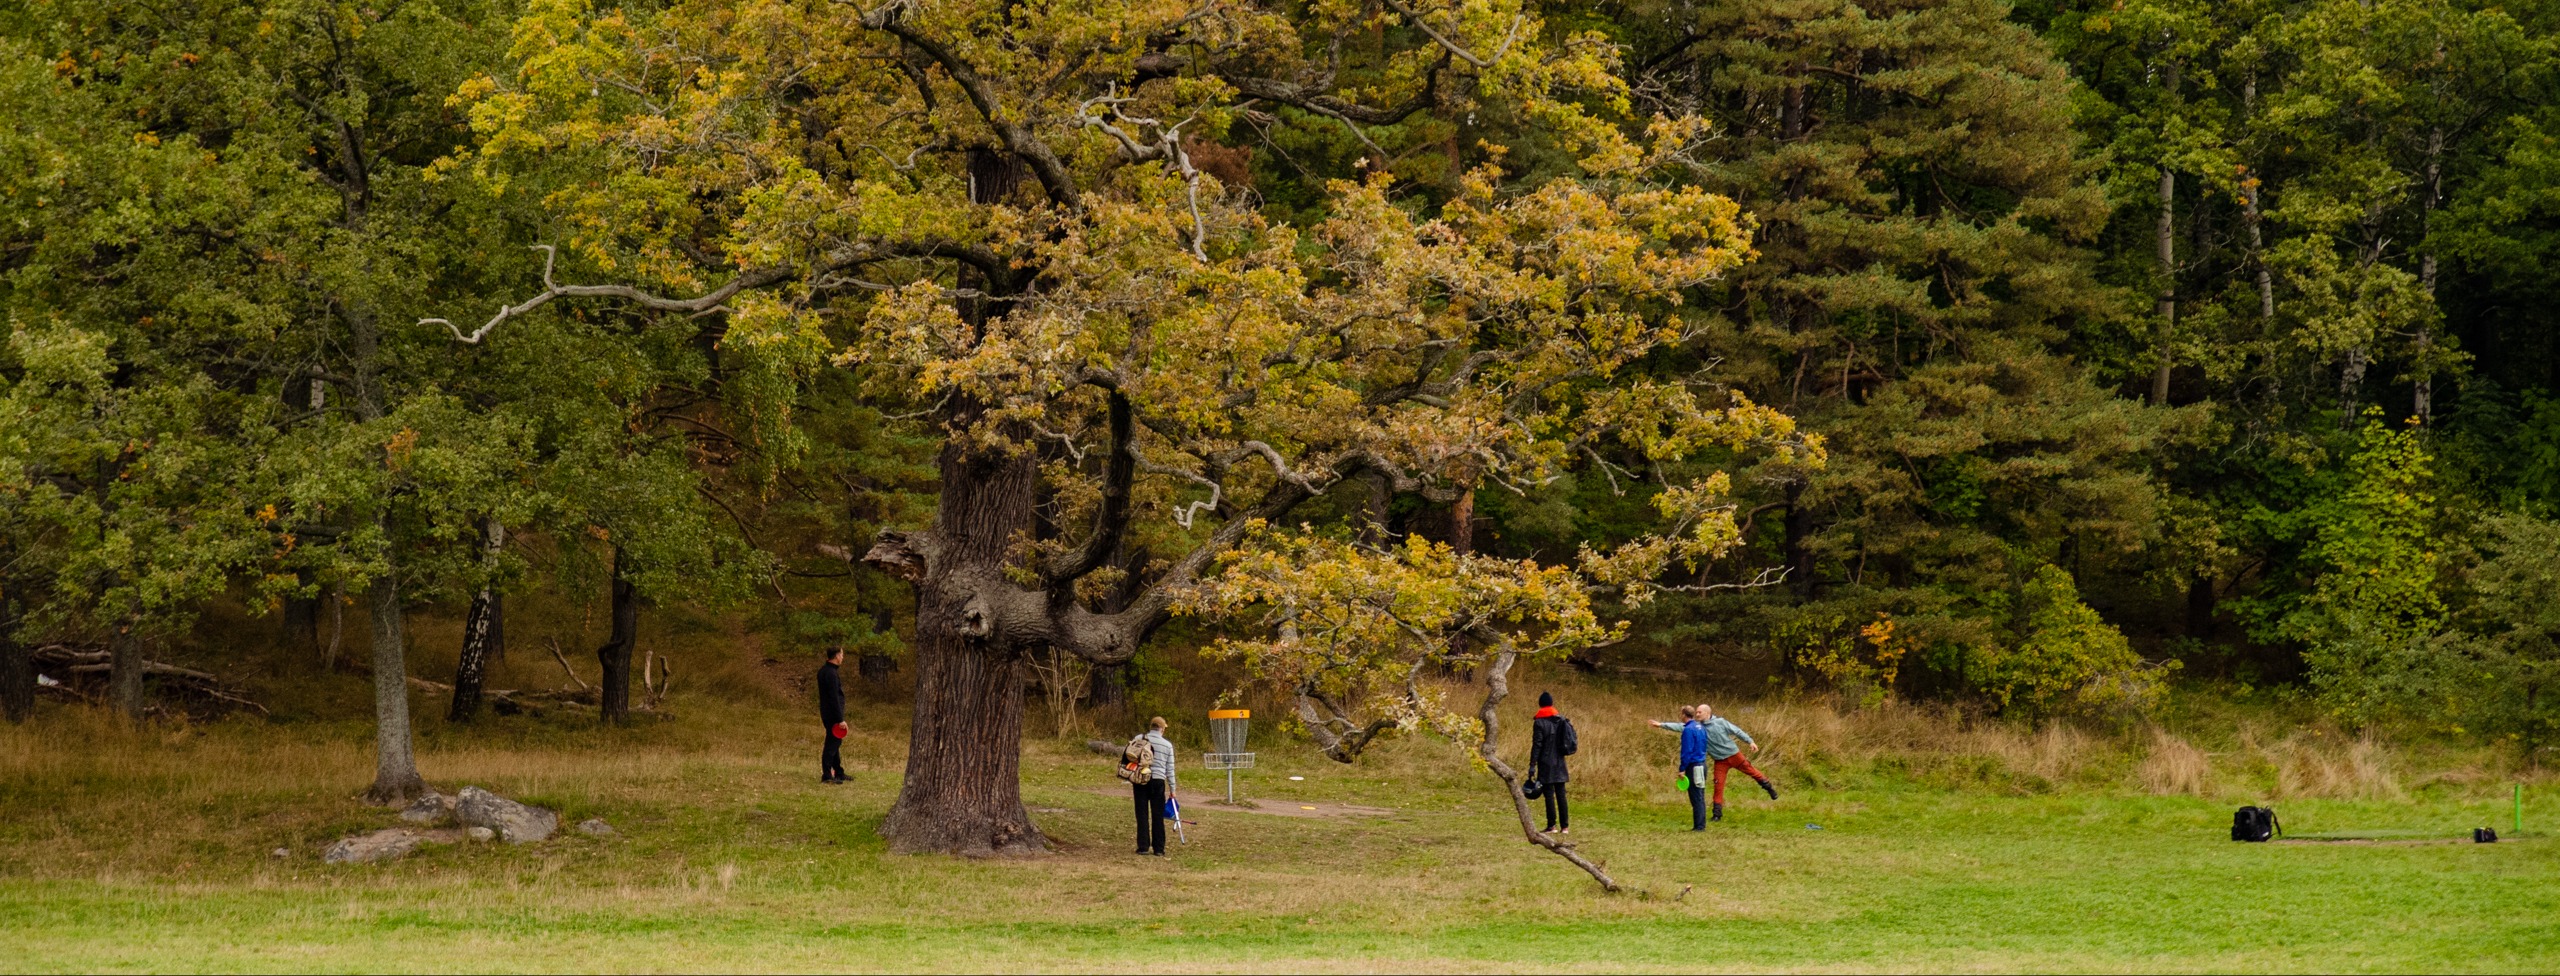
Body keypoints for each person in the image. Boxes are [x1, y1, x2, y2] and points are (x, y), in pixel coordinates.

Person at [1648, 703, 1776, 826]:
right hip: (1720, 761)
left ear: (1707, 713)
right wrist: (1661, 725)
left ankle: (1769, 788)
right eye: (1696, 712)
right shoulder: (1697, 727)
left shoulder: (1720, 722)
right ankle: (1717, 814)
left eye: (1699, 712)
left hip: (1734, 755)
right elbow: (1680, 727)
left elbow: (1737, 731)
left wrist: (1750, 741)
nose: (1697, 714)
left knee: (1752, 772)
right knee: (1718, 785)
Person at [1528, 691, 1577, 833]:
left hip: (1545, 762)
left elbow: (1537, 745)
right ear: (1552, 704)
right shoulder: (1561, 720)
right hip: (1560, 762)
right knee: (1561, 794)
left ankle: (1552, 826)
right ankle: (1565, 827)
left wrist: (1532, 765)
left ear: (1540, 704)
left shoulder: (1539, 722)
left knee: (1549, 794)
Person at [1133, 716, 1177, 856]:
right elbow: (1170, 769)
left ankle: (1143, 846)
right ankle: (1159, 848)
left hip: (1140, 779)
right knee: (1157, 815)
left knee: (1142, 813)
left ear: (1151, 727)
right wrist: (1172, 789)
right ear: (1162, 729)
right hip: (1158, 780)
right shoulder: (1167, 745)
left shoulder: (1139, 738)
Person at [816, 647, 848, 784]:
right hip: (833, 714)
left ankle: (838, 772)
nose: (842, 657)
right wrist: (840, 719)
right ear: (836, 656)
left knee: (835, 742)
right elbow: (834, 698)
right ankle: (827, 775)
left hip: (827, 712)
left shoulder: (824, 671)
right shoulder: (831, 674)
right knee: (832, 743)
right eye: (841, 654)